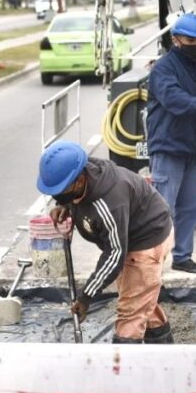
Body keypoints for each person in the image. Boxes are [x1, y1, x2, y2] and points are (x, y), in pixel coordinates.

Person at [38, 140, 175, 344]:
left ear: (79, 181)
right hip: (129, 237)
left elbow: (115, 254)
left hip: (146, 240)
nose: (57, 195)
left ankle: (122, 369)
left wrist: (86, 296)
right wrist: (64, 203)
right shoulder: (84, 171)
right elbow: (74, 196)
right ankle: (164, 355)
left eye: (61, 191)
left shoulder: (110, 202)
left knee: (130, 313)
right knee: (140, 299)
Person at [147, 13, 196, 274]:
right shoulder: (163, 68)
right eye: (190, 39)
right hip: (169, 148)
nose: (195, 44)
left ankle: (182, 257)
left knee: (191, 208)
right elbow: (173, 99)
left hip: (193, 149)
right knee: (162, 210)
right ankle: (152, 262)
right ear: (176, 39)